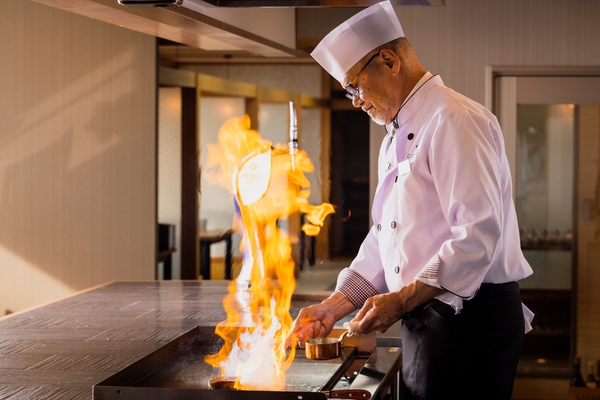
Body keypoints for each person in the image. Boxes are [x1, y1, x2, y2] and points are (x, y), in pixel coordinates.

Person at [288, 1, 534, 399]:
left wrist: (400, 300)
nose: (354, 100)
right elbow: (387, 236)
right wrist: (332, 308)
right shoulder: (394, 137)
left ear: (388, 60)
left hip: (471, 322)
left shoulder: (454, 119)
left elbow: (477, 236)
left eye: (355, 85)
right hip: (431, 318)